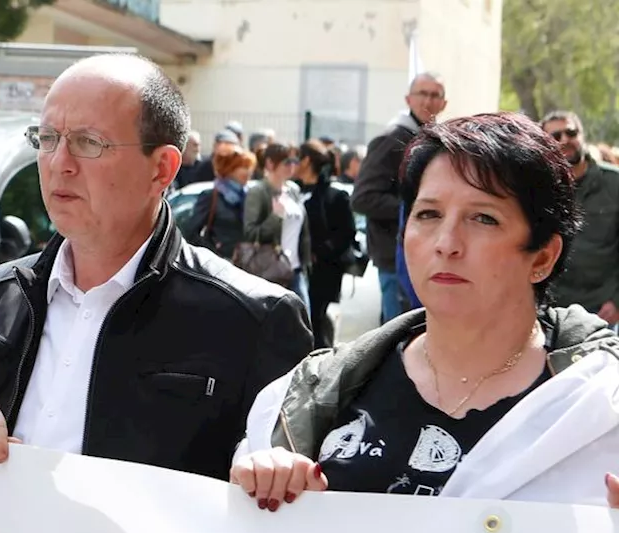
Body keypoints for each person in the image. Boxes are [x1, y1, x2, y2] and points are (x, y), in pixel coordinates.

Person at [0, 54, 311, 479]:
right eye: (48, 138)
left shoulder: (255, 320)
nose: (59, 163)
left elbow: (278, 502)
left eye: (89, 142)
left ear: (162, 169)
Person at [234, 112, 619, 509]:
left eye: (484, 218)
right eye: (428, 214)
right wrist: (261, 485)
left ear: (543, 256)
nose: (446, 243)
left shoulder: (600, 406)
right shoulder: (317, 392)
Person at [353, 73, 446, 325]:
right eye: (422, 94)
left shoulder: (431, 139)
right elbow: (363, 198)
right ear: (408, 99)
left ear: (444, 103)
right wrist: (418, 211)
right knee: (401, 339)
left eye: (435, 95)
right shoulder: (392, 139)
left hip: (426, 257)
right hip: (395, 260)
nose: (428, 100)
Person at [539, 110, 619, 326]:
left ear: (582, 136)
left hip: (601, 311)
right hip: (547, 309)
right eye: (556, 136)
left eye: (571, 132)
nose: (565, 139)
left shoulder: (614, 183)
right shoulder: (537, 187)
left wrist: (617, 301)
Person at [294, 140, 356, 348]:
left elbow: (346, 232)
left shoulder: (334, 196)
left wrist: (320, 252)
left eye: (297, 158)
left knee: (317, 324)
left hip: (323, 270)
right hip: (292, 268)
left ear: (307, 161)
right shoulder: (292, 191)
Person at [244, 143, 311, 312]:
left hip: (295, 270)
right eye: (287, 162)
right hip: (270, 271)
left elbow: (303, 231)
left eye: (295, 161)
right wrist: (275, 217)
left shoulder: (293, 190)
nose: (292, 166)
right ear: (270, 164)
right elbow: (250, 233)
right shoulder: (258, 192)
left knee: (304, 322)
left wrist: (306, 261)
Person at [180, 145, 256, 258]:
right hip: (222, 263)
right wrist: (213, 253)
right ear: (228, 169)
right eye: (243, 167)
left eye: (249, 167)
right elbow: (191, 233)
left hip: (248, 263)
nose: (248, 172)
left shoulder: (251, 195)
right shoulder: (211, 196)